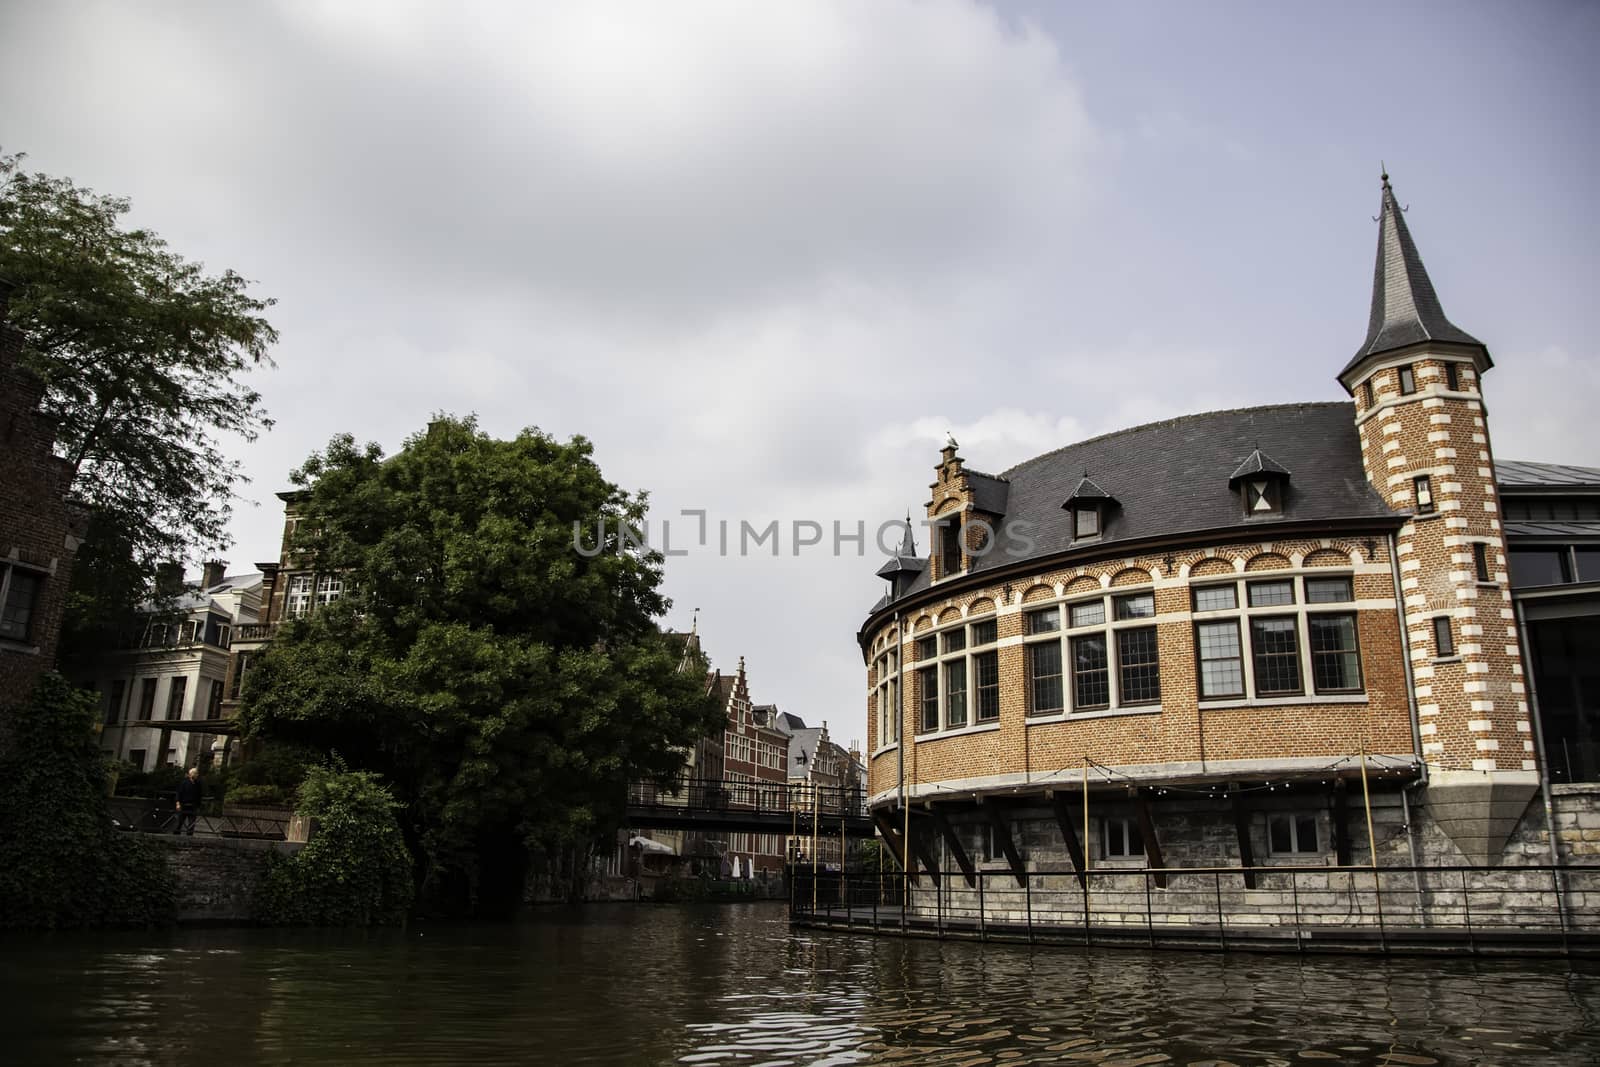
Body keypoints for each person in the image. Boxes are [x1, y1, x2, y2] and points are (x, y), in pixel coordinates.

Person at [174, 766, 202, 835]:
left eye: (197, 774)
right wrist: (178, 803)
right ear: (191, 774)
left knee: (191, 824)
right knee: (179, 822)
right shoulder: (184, 783)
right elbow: (179, 793)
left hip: (193, 807)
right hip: (184, 805)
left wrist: (198, 806)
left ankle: (189, 837)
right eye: (196, 774)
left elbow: (199, 796)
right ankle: (176, 835)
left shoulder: (198, 784)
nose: (197, 775)